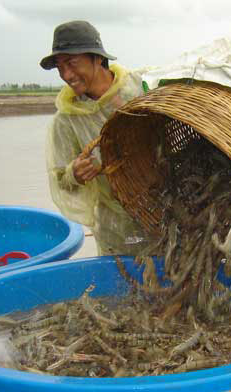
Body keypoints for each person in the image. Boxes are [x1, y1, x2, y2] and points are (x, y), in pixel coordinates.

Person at [40, 20, 152, 255]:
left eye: (71, 63)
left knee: (177, 280)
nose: (66, 74)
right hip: (116, 230)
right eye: (60, 67)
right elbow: (60, 178)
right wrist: (75, 173)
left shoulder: (143, 87)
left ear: (98, 58)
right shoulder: (67, 119)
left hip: (164, 214)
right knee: (125, 286)